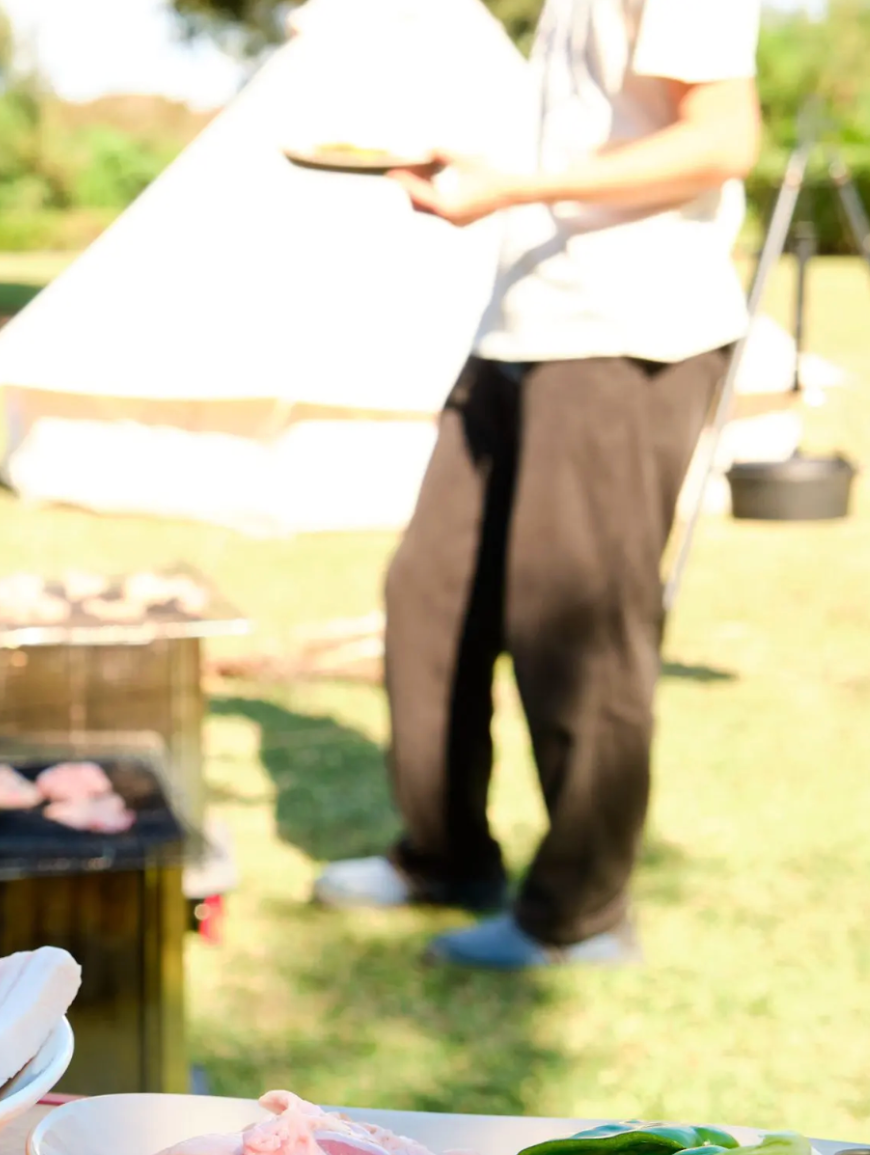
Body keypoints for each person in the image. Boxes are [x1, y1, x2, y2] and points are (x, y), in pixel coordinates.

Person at [312, 0, 763, 967]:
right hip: (523, 324)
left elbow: (725, 136)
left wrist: (515, 186)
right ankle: (446, 856)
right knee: (429, 594)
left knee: (579, 626)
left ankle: (581, 916)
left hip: (628, 330)